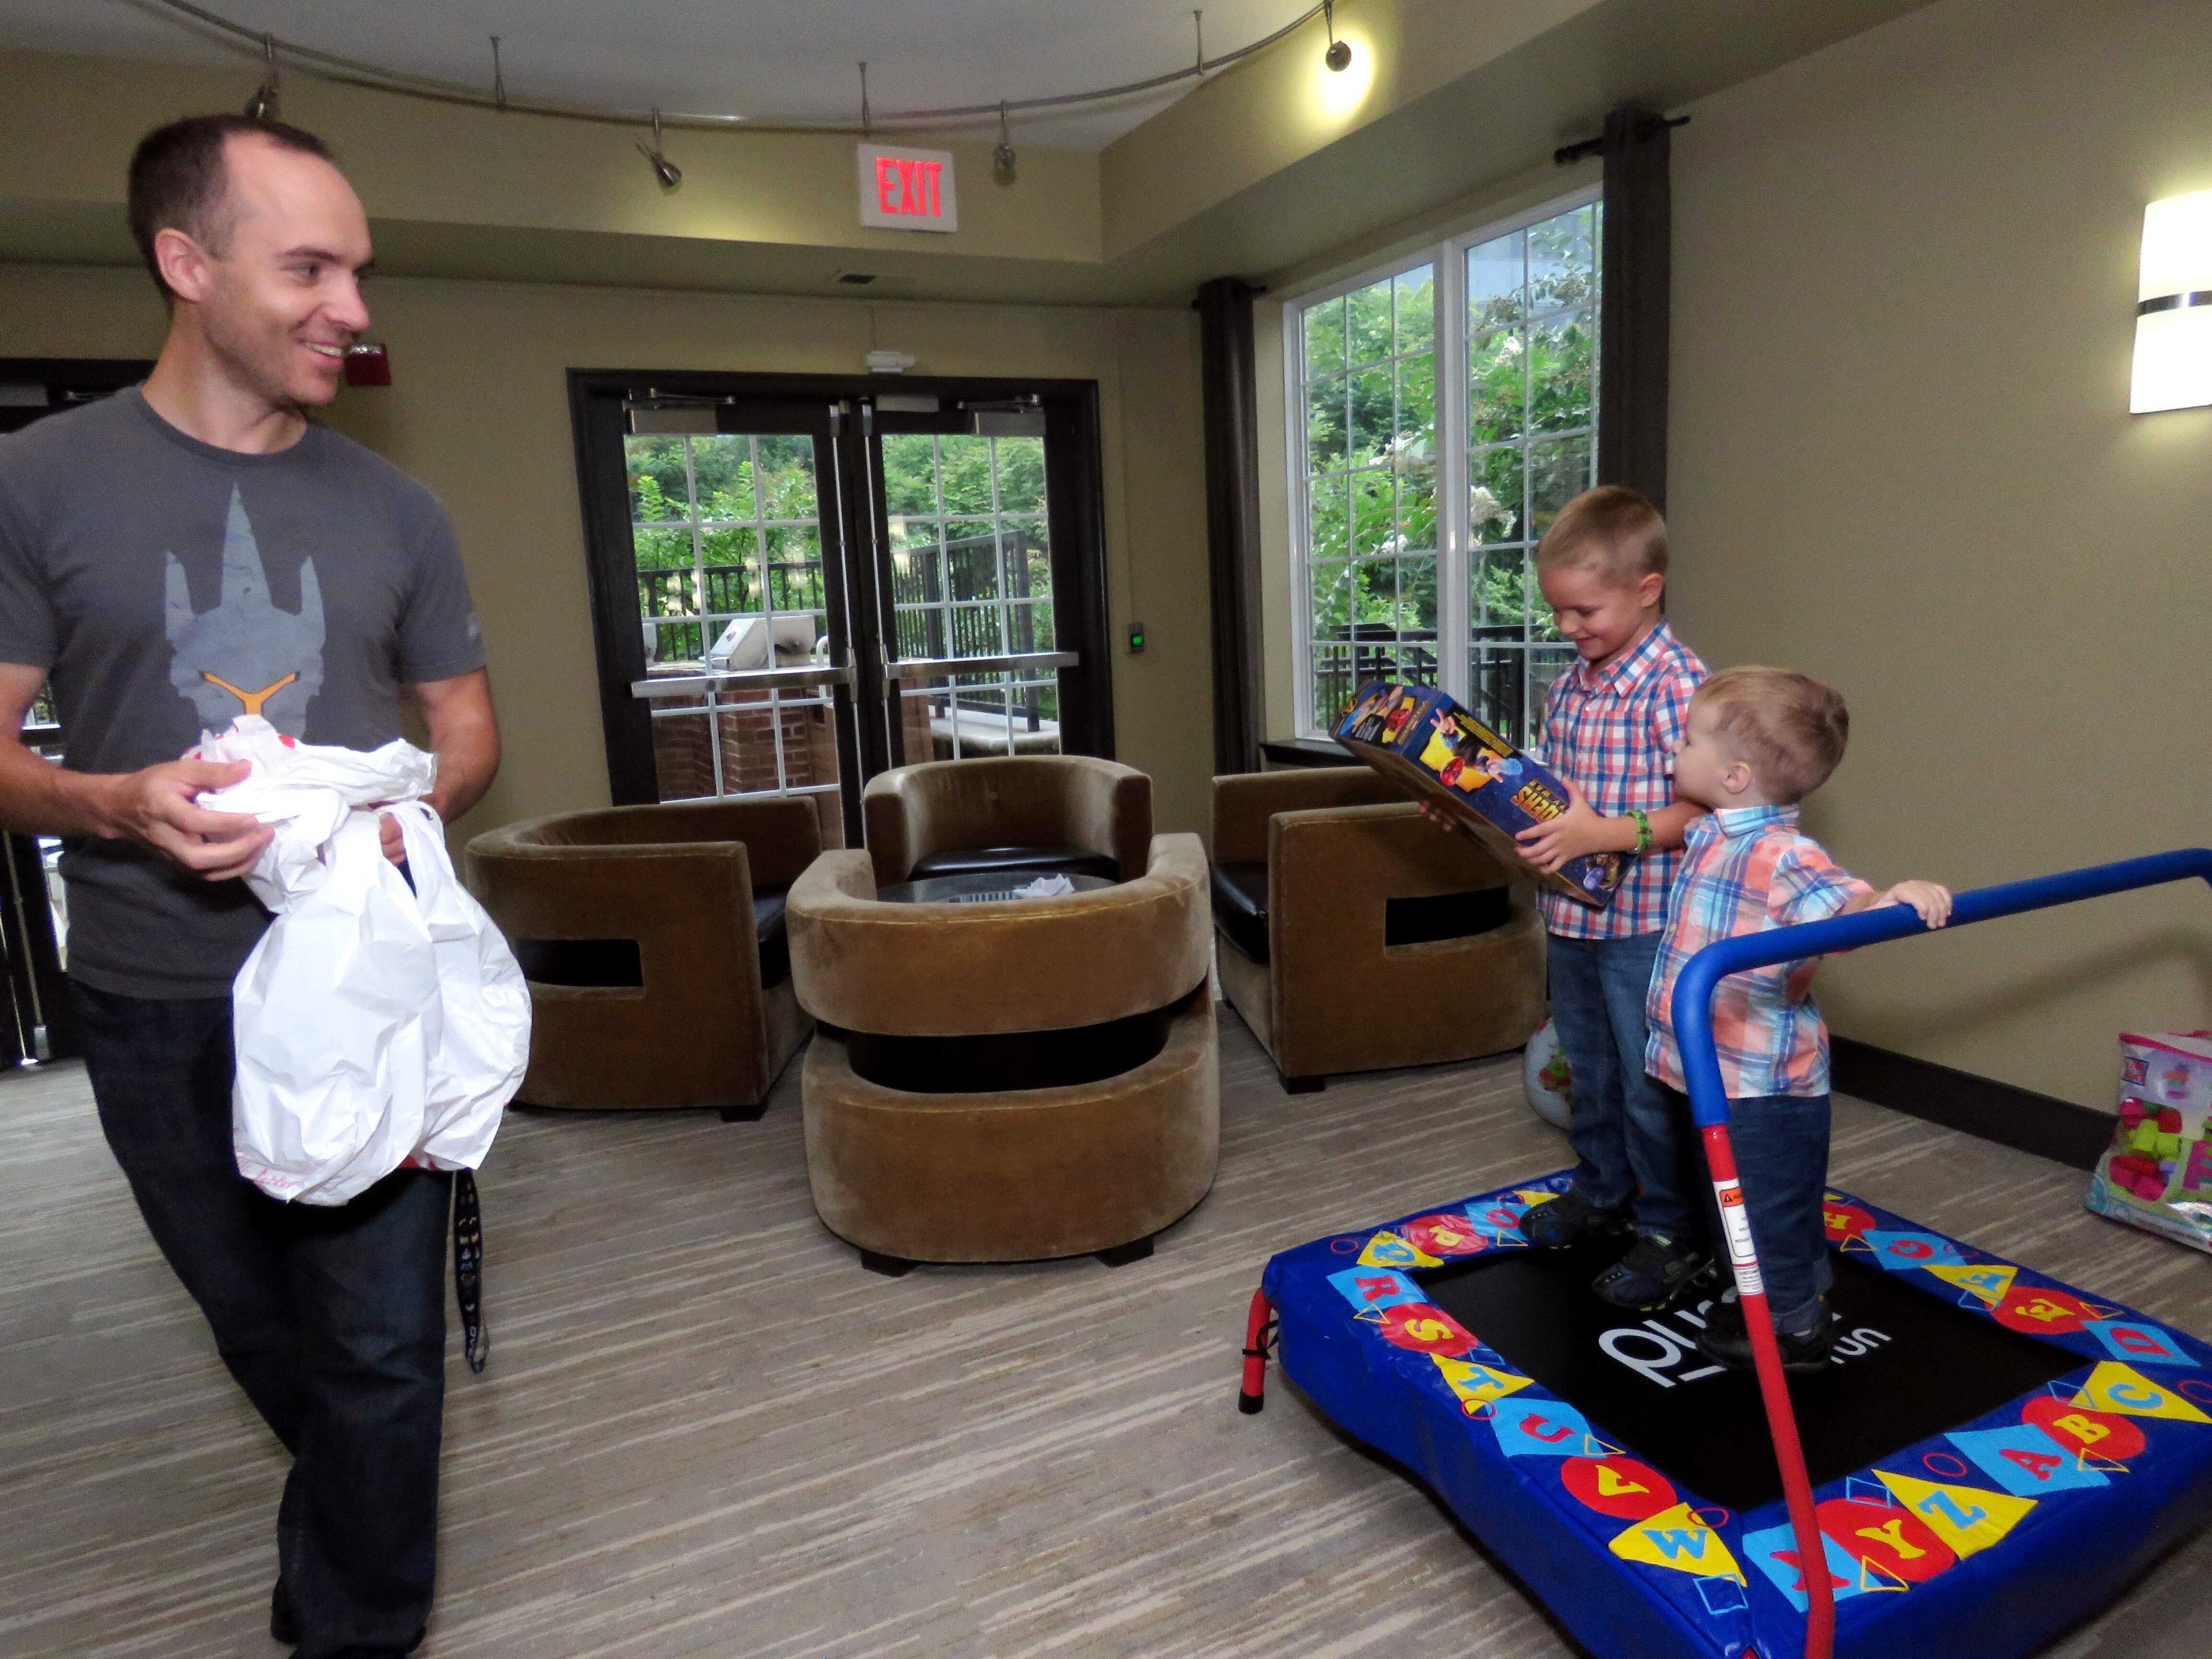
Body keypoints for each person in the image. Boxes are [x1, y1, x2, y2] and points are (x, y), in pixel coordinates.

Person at [0, 114, 498, 1656]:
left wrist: (401, 816)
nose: (354, 308)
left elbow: (467, 732)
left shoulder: (400, 510)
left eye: (358, 270)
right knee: (266, 1330)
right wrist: (111, 802)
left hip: (363, 987)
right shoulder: (35, 483)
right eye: (311, 269)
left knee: (384, 1350)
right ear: (186, 261)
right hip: (153, 996)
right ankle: (344, 1523)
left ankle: (356, 1627)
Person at [1442, 486, 1715, 1310]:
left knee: (1648, 1082)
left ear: (1647, 589)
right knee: (1588, 1069)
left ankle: (1672, 1229)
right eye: (1557, 611)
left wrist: (1607, 834)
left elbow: (1706, 811)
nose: (1567, 627)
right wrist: (1468, 806)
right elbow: (1547, 801)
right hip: (1570, 917)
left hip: (1649, 925)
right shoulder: (1569, 689)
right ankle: (1602, 1192)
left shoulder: (1679, 687)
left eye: (1583, 611)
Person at [1642, 667, 1950, 1370]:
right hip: (1708, 1068)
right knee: (1735, 1200)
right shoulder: (1713, 835)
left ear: (1735, 775)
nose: (1674, 750)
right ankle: (1768, 1287)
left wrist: (1888, 902)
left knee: (1766, 1209)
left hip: (1762, 1085)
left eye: (1687, 741)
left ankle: (1793, 1326)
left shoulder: (1782, 855)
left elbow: (1841, 908)